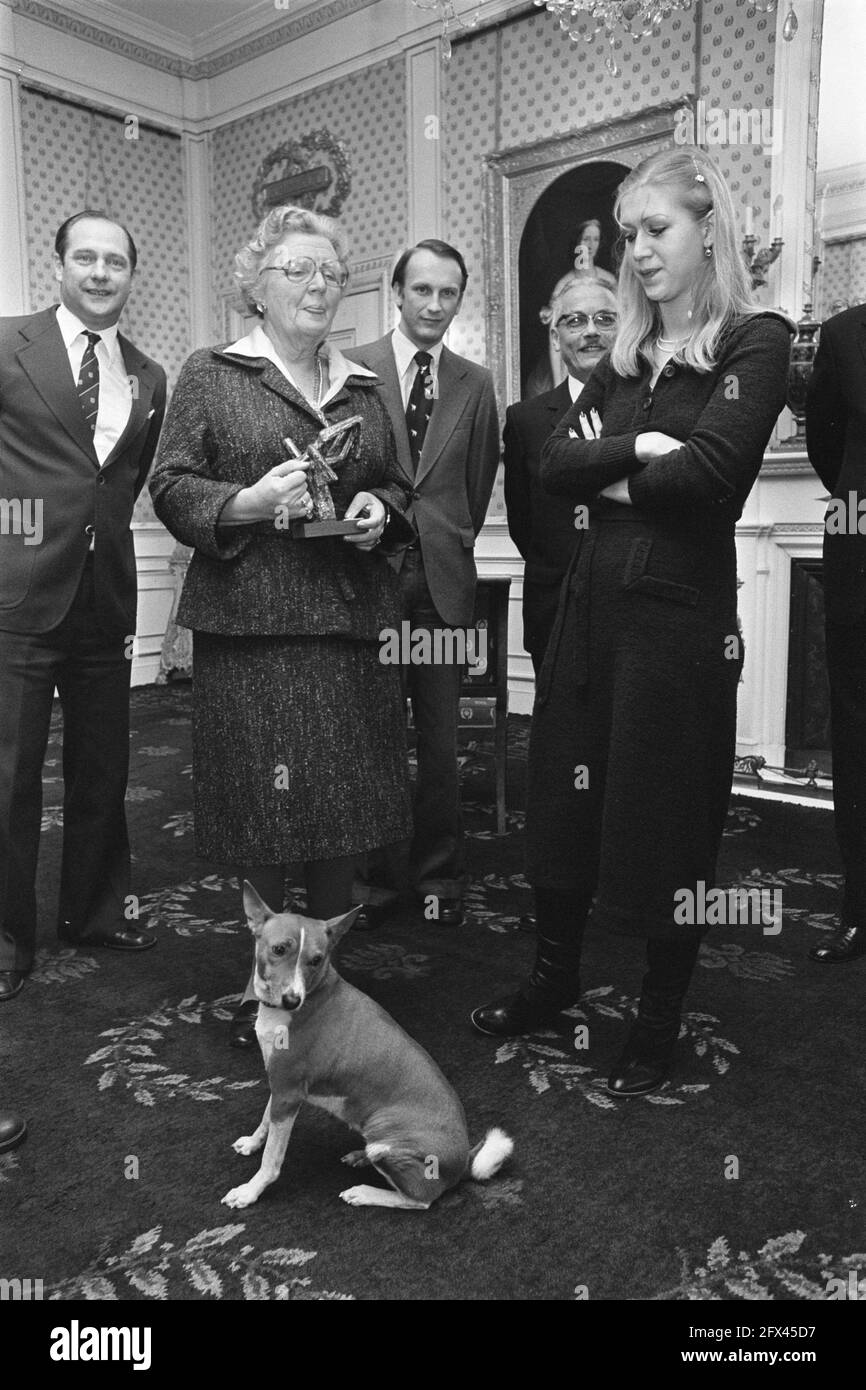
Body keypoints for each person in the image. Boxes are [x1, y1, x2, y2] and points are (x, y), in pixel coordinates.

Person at [472, 148, 794, 1097]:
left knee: (667, 818)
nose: (639, 251)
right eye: (630, 235)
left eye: (657, 230)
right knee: (562, 809)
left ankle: (657, 1017)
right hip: (586, 614)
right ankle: (553, 979)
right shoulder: (624, 354)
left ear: (708, 230)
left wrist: (618, 466)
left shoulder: (754, 340)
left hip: (678, 629)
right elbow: (549, 470)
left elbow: (712, 478)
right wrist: (646, 448)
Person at [149, 205, 415, 1047]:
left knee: (340, 813)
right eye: (297, 270)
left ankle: (327, 987)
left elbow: (401, 489)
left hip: (344, 625)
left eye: (330, 273)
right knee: (261, 819)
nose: (317, 285)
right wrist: (248, 503)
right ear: (256, 288)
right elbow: (170, 484)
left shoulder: (367, 388)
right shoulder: (211, 371)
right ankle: (269, 983)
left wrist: (381, 511)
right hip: (252, 631)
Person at [0, 211, 167, 1001]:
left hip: (106, 599)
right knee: (10, 777)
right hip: (18, 598)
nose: (101, 273)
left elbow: (121, 483)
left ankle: (95, 911)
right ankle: (6, 939)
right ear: (59, 265)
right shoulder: (7, 345)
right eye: (87, 259)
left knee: (103, 768)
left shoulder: (149, 375)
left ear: (131, 275)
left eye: (116, 262)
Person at [345, 239, 500, 930]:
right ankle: (376, 884)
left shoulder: (475, 383)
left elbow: (475, 483)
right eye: (422, 291)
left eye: (448, 293)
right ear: (398, 294)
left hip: (441, 590)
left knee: (439, 745)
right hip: (369, 584)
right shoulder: (352, 370)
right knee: (374, 740)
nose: (435, 305)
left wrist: (444, 538)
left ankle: (440, 878)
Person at [504, 278, 618, 675]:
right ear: (556, 337)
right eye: (575, 321)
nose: (590, 331)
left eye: (604, 319)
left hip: (636, 611)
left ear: (624, 329)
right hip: (555, 610)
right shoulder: (525, 420)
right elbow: (523, 523)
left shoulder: (653, 408)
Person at [805, 302, 866, 963]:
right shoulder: (845, 333)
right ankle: (860, 903)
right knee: (857, 740)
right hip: (860, 562)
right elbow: (822, 435)